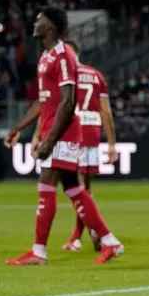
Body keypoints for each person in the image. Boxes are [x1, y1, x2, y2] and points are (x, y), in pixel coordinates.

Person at [3, 8, 124, 265]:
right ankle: (110, 242)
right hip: (54, 132)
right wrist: (17, 128)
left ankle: (39, 251)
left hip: (63, 134)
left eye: (39, 19)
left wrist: (49, 141)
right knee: (75, 190)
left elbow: (68, 102)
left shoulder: (63, 55)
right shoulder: (46, 57)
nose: (34, 22)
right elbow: (42, 101)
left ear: (51, 27)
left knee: (47, 186)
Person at [50, 40, 117, 252]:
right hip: (93, 133)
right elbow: (106, 112)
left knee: (75, 189)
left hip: (74, 133)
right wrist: (112, 144)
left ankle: (91, 233)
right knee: (85, 189)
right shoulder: (97, 75)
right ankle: (80, 236)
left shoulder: (67, 76)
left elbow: (57, 107)